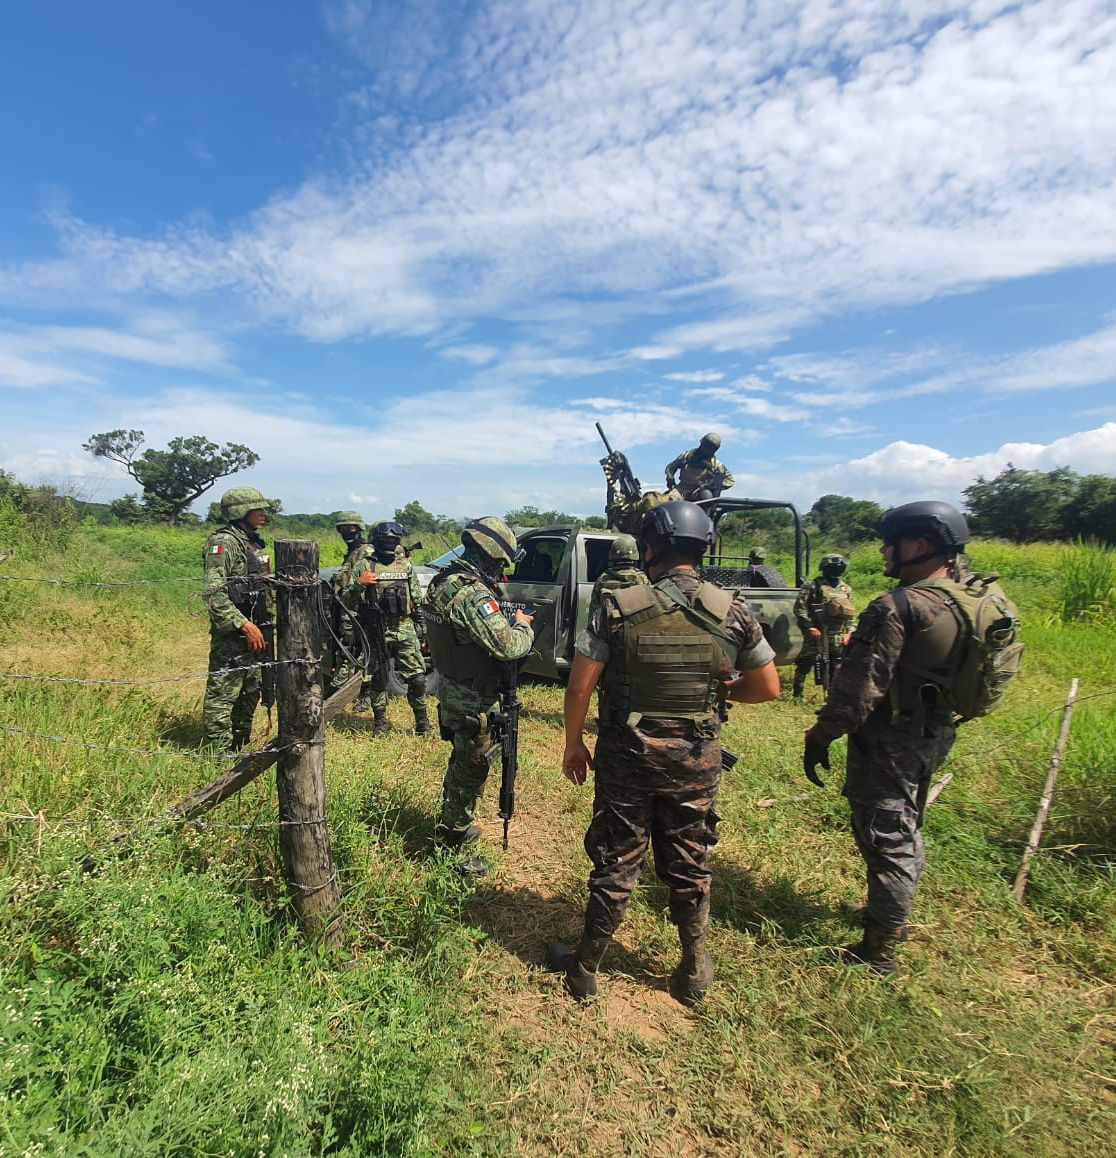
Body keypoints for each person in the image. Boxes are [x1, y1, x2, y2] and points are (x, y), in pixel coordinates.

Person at [551, 501, 780, 1005]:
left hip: (627, 758)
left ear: (650, 547)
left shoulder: (618, 605)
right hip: (695, 762)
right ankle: (694, 968)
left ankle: (586, 968)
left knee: (617, 856)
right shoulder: (732, 609)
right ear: (702, 550)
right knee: (689, 858)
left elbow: (580, 686)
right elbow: (767, 687)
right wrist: (721, 695)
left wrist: (573, 742)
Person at [802, 501, 992, 976]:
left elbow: (858, 689)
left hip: (892, 737)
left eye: (892, 542)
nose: (884, 551)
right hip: (936, 729)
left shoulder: (899, 607)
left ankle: (880, 950)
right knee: (905, 824)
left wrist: (821, 735)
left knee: (887, 834)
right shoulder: (974, 595)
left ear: (921, 545)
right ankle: (890, 914)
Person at [422, 517, 535, 868]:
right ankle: (453, 841)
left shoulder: (444, 582)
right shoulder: (472, 593)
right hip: (472, 696)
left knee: (463, 761)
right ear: (489, 554)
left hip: (455, 688)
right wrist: (523, 626)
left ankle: (453, 823)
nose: (501, 570)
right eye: (500, 562)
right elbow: (508, 646)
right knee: (474, 763)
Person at [202, 485, 277, 752]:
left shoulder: (252, 544)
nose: (264, 514)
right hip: (236, 633)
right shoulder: (223, 543)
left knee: (251, 690)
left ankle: (239, 745)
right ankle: (218, 755)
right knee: (223, 694)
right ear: (240, 511)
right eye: (258, 509)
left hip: (259, 626)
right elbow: (213, 592)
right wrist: (243, 625)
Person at [345, 520, 430, 736]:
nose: (389, 544)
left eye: (393, 540)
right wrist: (359, 584)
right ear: (376, 540)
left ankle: (423, 724)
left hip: (404, 628)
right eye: (385, 540)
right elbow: (346, 600)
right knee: (379, 679)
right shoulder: (365, 566)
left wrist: (421, 627)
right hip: (377, 630)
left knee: (418, 679)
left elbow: (416, 598)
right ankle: (380, 723)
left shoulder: (405, 566)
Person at [792, 554, 856, 700]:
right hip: (817, 633)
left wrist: (850, 632)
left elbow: (851, 614)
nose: (837, 571)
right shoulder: (813, 586)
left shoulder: (846, 589)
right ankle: (797, 694)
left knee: (836, 666)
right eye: (834, 568)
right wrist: (810, 627)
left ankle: (832, 697)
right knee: (806, 663)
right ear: (825, 569)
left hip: (838, 635)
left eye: (840, 568)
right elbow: (799, 609)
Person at [329, 512, 375, 695]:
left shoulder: (366, 551)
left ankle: (361, 694)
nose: (346, 531)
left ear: (359, 528)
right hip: (347, 608)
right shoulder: (352, 552)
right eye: (342, 528)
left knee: (356, 650)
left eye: (350, 527)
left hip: (358, 611)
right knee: (347, 648)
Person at [586, 534, 649, 619]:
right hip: (634, 626)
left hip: (609, 627)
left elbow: (594, 611)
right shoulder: (642, 578)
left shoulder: (603, 578)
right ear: (635, 555)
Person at [664, 433, 735, 501]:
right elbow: (670, 467)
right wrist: (670, 476)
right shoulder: (687, 456)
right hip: (682, 489)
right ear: (702, 443)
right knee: (668, 502)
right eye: (706, 446)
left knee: (707, 496)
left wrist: (712, 485)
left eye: (710, 448)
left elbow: (730, 481)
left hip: (700, 491)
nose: (706, 449)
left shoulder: (716, 465)